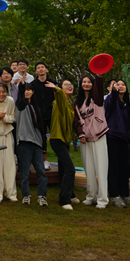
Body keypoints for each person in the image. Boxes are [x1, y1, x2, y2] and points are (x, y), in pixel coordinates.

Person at [75, 75, 109, 209]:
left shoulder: (97, 98)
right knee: (88, 168)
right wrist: (80, 134)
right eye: (84, 82)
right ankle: (91, 196)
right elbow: (75, 121)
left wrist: (99, 74)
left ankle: (102, 199)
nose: (86, 84)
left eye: (89, 82)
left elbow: (99, 87)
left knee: (101, 169)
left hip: (99, 136)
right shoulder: (77, 102)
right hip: (86, 139)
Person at [103, 80, 130, 208]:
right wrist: (114, 92)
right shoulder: (110, 100)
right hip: (112, 136)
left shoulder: (125, 103)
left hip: (124, 138)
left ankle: (125, 193)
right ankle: (115, 195)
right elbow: (111, 101)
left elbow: (128, 122)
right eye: (117, 84)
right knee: (114, 167)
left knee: (125, 165)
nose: (120, 86)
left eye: (123, 84)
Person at [48, 79, 79, 209]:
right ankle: (64, 200)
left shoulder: (69, 103)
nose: (69, 86)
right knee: (70, 169)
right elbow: (59, 96)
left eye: (70, 84)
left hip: (65, 140)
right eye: (66, 84)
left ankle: (70, 195)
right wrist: (56, 89)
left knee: (63, 169)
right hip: (57, 139)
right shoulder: (59, 101)